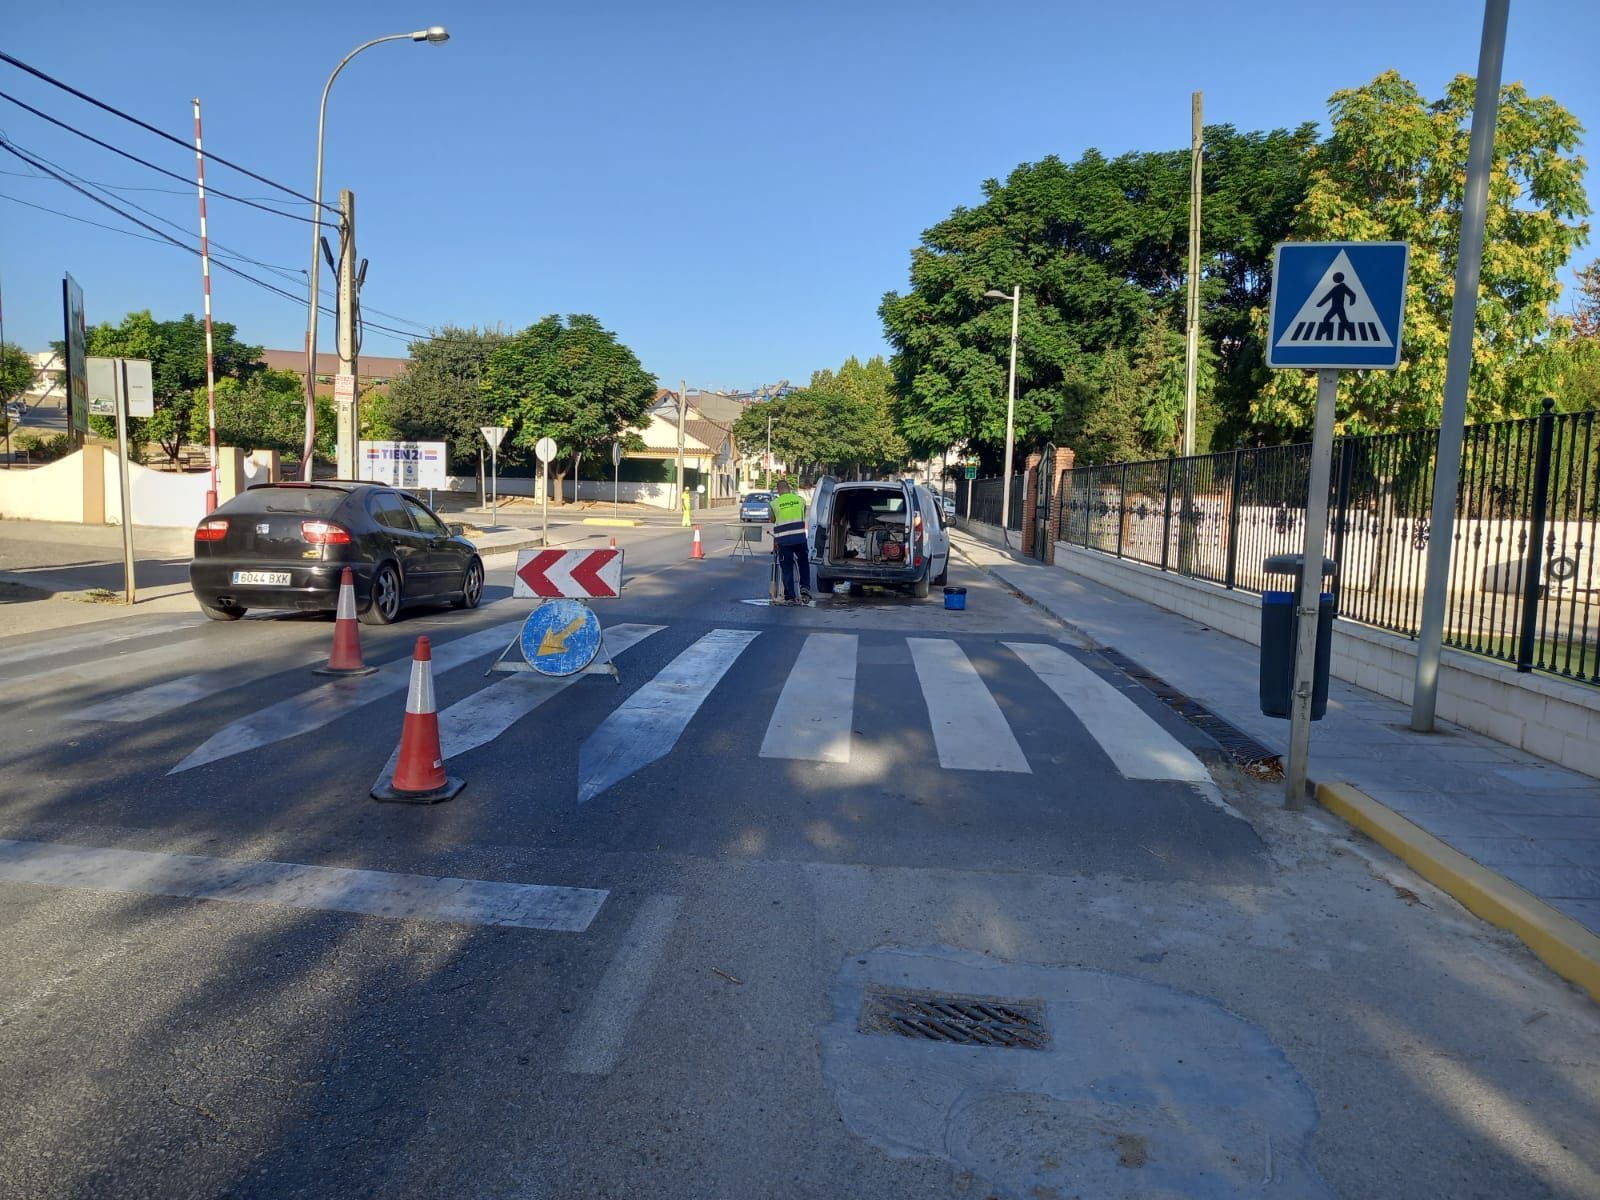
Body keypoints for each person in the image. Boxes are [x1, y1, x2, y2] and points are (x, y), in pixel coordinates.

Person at [769, 479, 811, 605]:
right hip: (799, 539)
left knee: (786, 568)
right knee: (803, 562)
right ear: (789, 489)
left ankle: (790, 596)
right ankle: (805, 589)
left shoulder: (774, 503)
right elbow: (802, 515)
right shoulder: (800, 500)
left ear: (778, 490)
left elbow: (772, 519)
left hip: (784, 541)